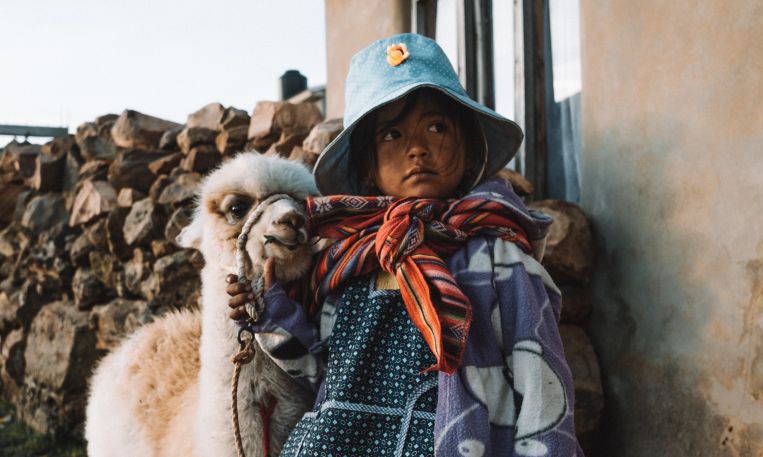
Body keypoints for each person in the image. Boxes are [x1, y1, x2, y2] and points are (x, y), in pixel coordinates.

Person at [227, 33, 583, 457]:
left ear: (467, 148)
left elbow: (541, 380)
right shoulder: (347, 262)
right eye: (392, 135)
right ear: (367, 167)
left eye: (436, 127)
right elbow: (321, 374)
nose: (417, 148)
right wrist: (270, 313)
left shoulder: (498, 258)